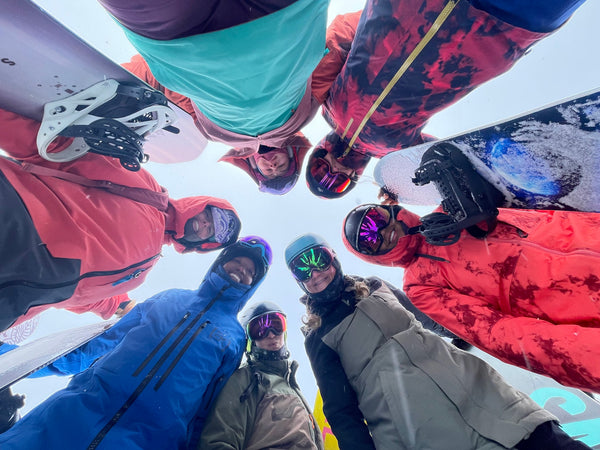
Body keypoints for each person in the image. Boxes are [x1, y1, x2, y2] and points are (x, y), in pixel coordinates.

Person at [284, 233, 591, 450]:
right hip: (415, 428)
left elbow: (431, 315)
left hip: (475, 391)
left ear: (333, 258)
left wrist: (472, 332)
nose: (314, 273)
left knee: (544, 439)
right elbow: (341, 411)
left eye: (319, 260)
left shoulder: (375, 285)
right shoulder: (318, 335)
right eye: (302, 269)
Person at [0, 237, 272, 449]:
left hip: (152, 440)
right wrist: (9, 360)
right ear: (221, 261)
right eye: (237, 261)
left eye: (250, 272)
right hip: (76, 409)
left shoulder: (235, 338)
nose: (241, 271)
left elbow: (208, 409)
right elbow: (96, 345)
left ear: (253, 285)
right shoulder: (170, 298)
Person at [305, 0, 586, 198]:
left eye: (320, 170)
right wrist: (402, 183)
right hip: (495, 32)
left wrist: (386, 15)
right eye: (338, 182)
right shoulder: (394, 151)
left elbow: (340, 34)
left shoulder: (324, 104)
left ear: (316, 153)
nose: (333, 170)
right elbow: (446, 157)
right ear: (354, 179)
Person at [0, 107, 241, 332]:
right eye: (211, 215)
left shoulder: (141, 272)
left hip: (16, 299)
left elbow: (80, 297)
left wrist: (117, 306)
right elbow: (62, 151)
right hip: (19, 219)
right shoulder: (148, 191)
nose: (207, 224)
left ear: (204, 244)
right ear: (199, 204)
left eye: (214, 232)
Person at [343, 203, 600, 392]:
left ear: (388, 209)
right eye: (368, 239)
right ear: (373, 256)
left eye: (375, 219)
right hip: (582, 305)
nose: (379, 232)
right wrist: (586, 355)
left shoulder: (452, 205)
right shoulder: (420, 285)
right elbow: (500, 334)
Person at [118, 10, 361, 194]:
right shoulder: (304, 113)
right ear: (291, 155)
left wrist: (119, 83)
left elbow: (170, 82)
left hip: (186, 37)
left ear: (255, 166)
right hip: (269, 20)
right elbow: (336, 47)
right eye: (281, 167)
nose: (273, 165)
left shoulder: (210, 132)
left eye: (268, 171)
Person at [199, 301, 324, 449]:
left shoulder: (291, 385)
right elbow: (219, 440)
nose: (271, 334)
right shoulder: (245, 380)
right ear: (249, 339)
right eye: (260, 330)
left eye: (277, 325)